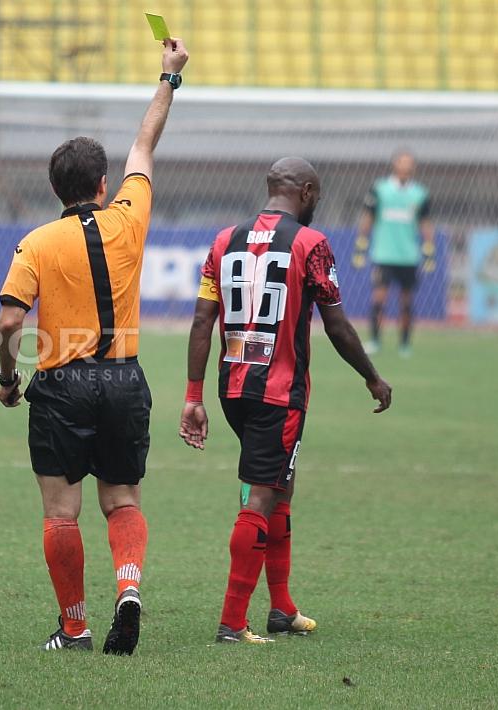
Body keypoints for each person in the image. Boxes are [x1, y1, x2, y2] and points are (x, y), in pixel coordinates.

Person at [0, 38, 188, 657]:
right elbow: (145, 145)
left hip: (61, 384)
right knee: (122, 500)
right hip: (124, 378)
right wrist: (168, 76)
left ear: (56, 188)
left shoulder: (37, 242)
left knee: (61, 511)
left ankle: (75, 626)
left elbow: (7, 325)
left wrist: (7, 378)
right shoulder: (129, 215)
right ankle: (127, 591)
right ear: (104, 184)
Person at [180, 157, 393, 643]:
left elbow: (200, 323)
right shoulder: (310, 244)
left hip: (233, 385)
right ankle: (233, 622)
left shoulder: (222, 240)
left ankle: (282, 608)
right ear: (308, 191)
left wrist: (194, 395)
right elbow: (336, 323)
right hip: (279, 392)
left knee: (280, 487)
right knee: (260, 494)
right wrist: (372, 377)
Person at [353, 150, 434, 357]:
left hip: (408, 256)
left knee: (406, 302)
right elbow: (368, 218)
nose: (405, 167)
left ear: (413, 167)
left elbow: (425, 223)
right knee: (379, 299)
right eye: (402, 162)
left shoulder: (420, 193)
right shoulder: (380, 190)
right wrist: (361, 245)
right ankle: (375, 340)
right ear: (395, 165)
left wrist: (429, 249)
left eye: (409, 163)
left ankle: (405, 344)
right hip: (384, 255)